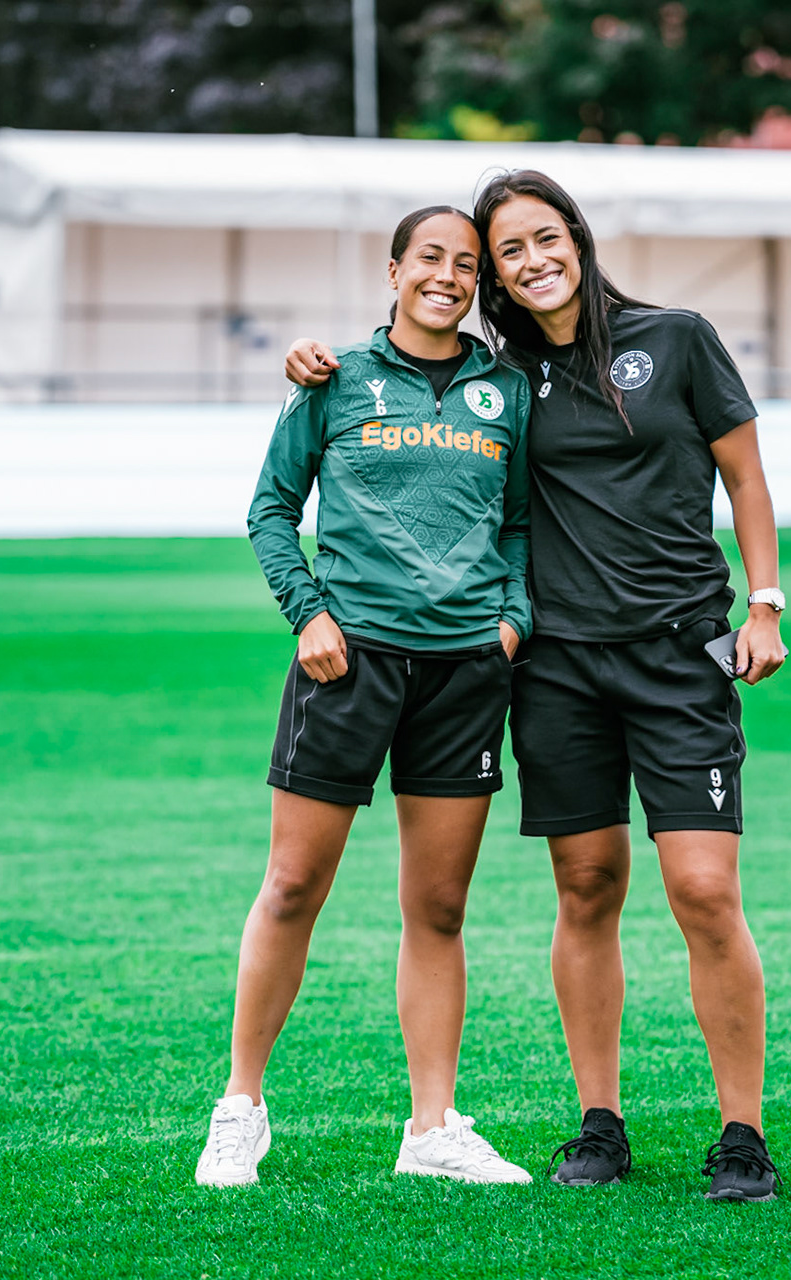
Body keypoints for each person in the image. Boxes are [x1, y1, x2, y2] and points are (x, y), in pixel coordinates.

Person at [282, 170, 789, 1202]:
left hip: (679, 653)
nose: (531, 260)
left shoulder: (677, 337)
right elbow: (404, 366)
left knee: (702, 887)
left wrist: (766, 603)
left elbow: (745, 473)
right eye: (508, 251)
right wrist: (312, 361)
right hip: (555, 668)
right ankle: (599, 1122)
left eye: (543, 238)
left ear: (577, 238)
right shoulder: (504, 377)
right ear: (497, 278)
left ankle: (744, 1132)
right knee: (587, 885)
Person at [194, 206, 537, 1188]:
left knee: (437, 903)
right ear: (394, 270)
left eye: (467, 265)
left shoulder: (505, 392)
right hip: (346, 664)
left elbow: (518, 528)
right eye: (430, 258)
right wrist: (307, 613)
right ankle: (241, 1106)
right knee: (294, 886)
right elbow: (270, 507)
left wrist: (507, 622)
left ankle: (433, 1127)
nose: (449, 276)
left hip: (465, 672)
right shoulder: (334, 376)